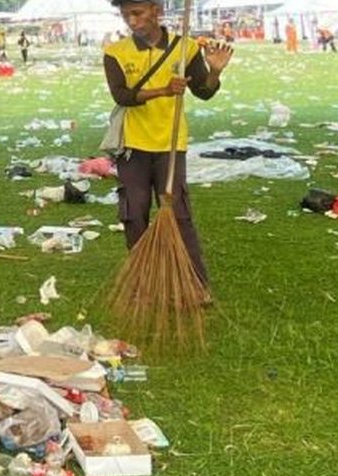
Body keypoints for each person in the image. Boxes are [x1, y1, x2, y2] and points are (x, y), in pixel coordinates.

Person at [104, 0, 232, 295]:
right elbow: (122, 95)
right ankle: (143, 281)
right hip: (133, 144)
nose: (132, 21)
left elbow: (203, 91)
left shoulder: (184, 47)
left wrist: (214, 71)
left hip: (171, 144)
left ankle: (195, 284)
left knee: (178, 214)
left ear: (156, 10)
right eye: (126, 15)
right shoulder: (115, 53)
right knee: (134, 213)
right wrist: (163, 90)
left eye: (137, 13)